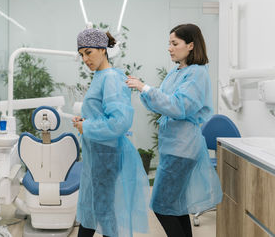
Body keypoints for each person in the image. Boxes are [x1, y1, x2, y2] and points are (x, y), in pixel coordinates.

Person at [126, 23, 223, 237]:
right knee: (176, 207)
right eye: (169, 43)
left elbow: (179, 107)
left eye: (174, 43)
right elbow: (162, 102)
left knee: (161, 205)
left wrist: (145, 87)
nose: (169, 48)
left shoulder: (197, 73)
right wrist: (142, 90)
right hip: (173, 146)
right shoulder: (177, 72)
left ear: (190, 45)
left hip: (182, 148)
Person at [72, 28, 150, 237]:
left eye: (88, 52)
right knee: (97, 208)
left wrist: (86, 127)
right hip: (97, 152)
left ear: (102, 49)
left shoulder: (111, 78)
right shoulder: (100, 76)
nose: (85, 59)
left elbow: (119, 122)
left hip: (105, 153)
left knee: (102, 210)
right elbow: (102, 114)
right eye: (81, 55)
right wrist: (85, 122)